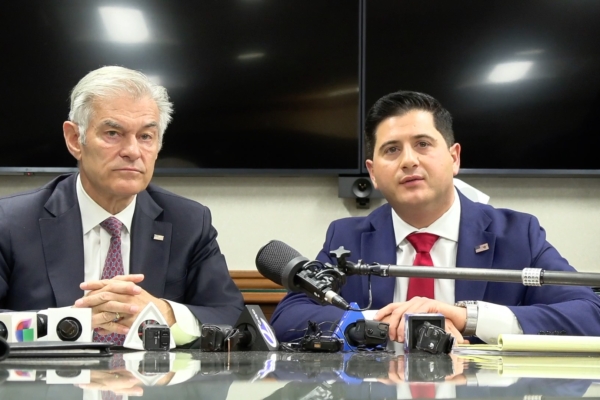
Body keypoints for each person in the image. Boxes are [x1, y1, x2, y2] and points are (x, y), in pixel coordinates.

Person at [271, 90, 600, 345]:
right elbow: (288, 318)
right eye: (391, 149)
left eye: (423, 144)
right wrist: (374, 324)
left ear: (454, 158)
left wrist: (466, 318)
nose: (408, 161)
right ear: (373, 173)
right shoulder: (348, 237)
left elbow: (588, 315)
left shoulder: (516, 234)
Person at [0, 66, 244, 346]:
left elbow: (231, 318)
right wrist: (69, 324)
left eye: (145, 136)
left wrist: (165, 314)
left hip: (153, 376)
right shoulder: (11, 222)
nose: (132, 151)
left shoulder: (188, 222)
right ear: (74, 139)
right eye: (113, 133)